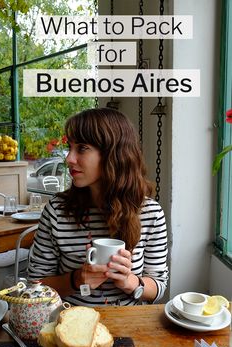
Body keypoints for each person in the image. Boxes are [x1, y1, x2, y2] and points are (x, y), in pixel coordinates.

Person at [28, 107, 168, 306]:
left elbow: (158, 287)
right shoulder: (57, 211)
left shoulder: (150, 213)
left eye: (82, 148)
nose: (69, 159)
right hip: (70, 324)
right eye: (70, 147)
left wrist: (130, 282)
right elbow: (35, 285)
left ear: (114, 154)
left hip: (130, 328)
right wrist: (76, 279)